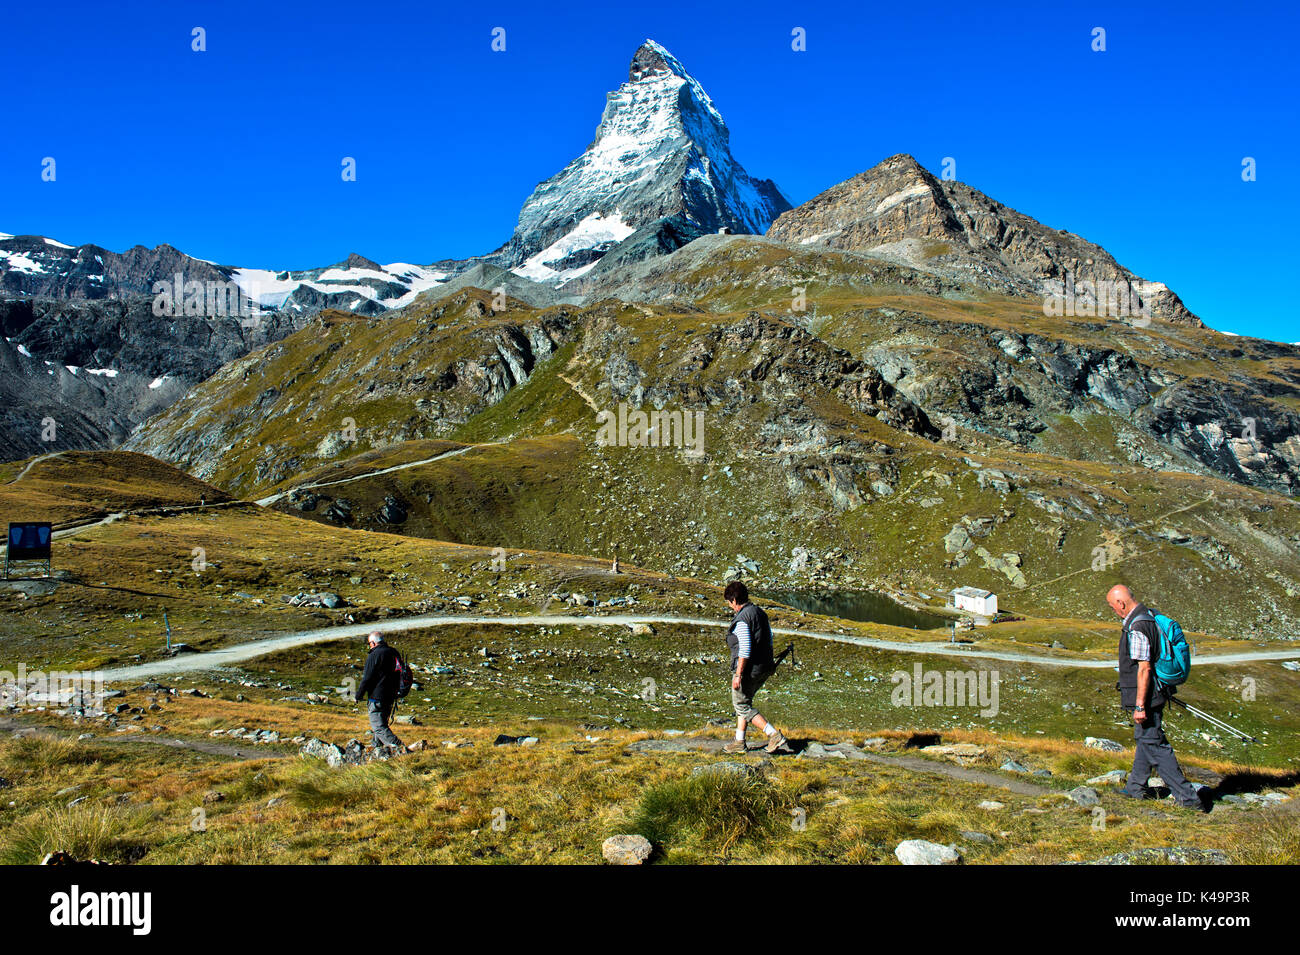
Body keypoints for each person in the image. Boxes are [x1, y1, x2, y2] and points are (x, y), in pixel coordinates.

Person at [1105, 585, 1205, 811]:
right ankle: (1135, 788)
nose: (1113, 610)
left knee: (1154, 743)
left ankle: (1189, 799)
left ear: (1121, 603)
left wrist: (1140, 705)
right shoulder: (1149, 616)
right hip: (1156, 691)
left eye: (1113, 607)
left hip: (1148, 695)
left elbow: (1144, 669)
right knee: (1145, 739)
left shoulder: (1138, 626)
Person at [722, 581, 790, 754]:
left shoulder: (743, 619)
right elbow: (769, 638)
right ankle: (739, 741)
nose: (730, 606)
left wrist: (738, 674)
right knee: (744, 702)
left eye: (730, 602)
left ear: (735, 600)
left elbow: (745, 648)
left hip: (749, 669)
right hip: (765, 666)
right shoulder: (759, 612)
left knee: (742, 705)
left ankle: (773, 734)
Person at [355, 630, 404, 752]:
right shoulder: (394, 652)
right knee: (381, 724)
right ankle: (377, 751)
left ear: (373, 643)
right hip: (391, 695)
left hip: (377, 696)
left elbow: (367, 678)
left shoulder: (374, 655)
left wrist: (358, 695)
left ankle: (399, 748)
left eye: (369, 643)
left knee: (378, 727)